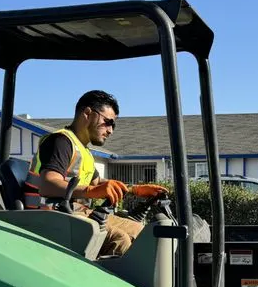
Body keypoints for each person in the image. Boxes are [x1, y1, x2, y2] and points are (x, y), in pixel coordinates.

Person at [23, 90, 168, 256]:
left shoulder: (83, 150)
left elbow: (98, 184)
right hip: (51, 215)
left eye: (113, 125)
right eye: (107, 122)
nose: (110, 130)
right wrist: (91, 192)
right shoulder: (60, 141)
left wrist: (135, 190)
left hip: (75, 213)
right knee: (120, 240)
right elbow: (48, 184)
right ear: (87, 113)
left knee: (140, 231)